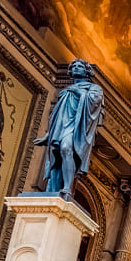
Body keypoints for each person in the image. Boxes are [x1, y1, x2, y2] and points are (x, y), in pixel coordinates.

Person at [30, 60, 106, 200]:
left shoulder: (93, 88)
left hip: (76, 128)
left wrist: (78, 92)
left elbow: (94, 102)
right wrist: (48, 135)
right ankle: (53, 188)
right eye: (74, 66)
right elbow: (58, 114)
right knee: (56, 156)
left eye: (80, 66)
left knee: (66, 149)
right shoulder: (65, 91)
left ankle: (67, 187)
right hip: (60, 127)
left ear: (86, 71)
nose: (76, 68)